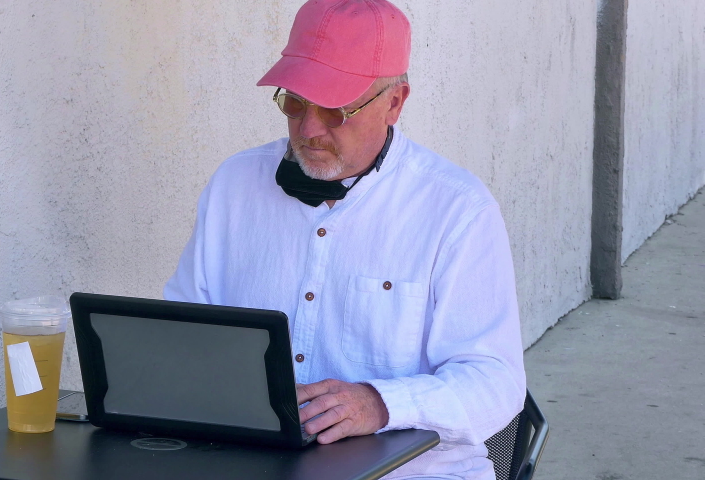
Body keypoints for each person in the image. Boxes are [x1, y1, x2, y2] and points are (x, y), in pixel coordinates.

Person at [164, 1, 526, 478]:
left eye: (335, 108)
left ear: (395, 103)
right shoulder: (234, 185)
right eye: (294, 101)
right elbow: (184, 334)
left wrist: (380, 404)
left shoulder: (457, 209)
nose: (309, 130)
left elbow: (495, 383)